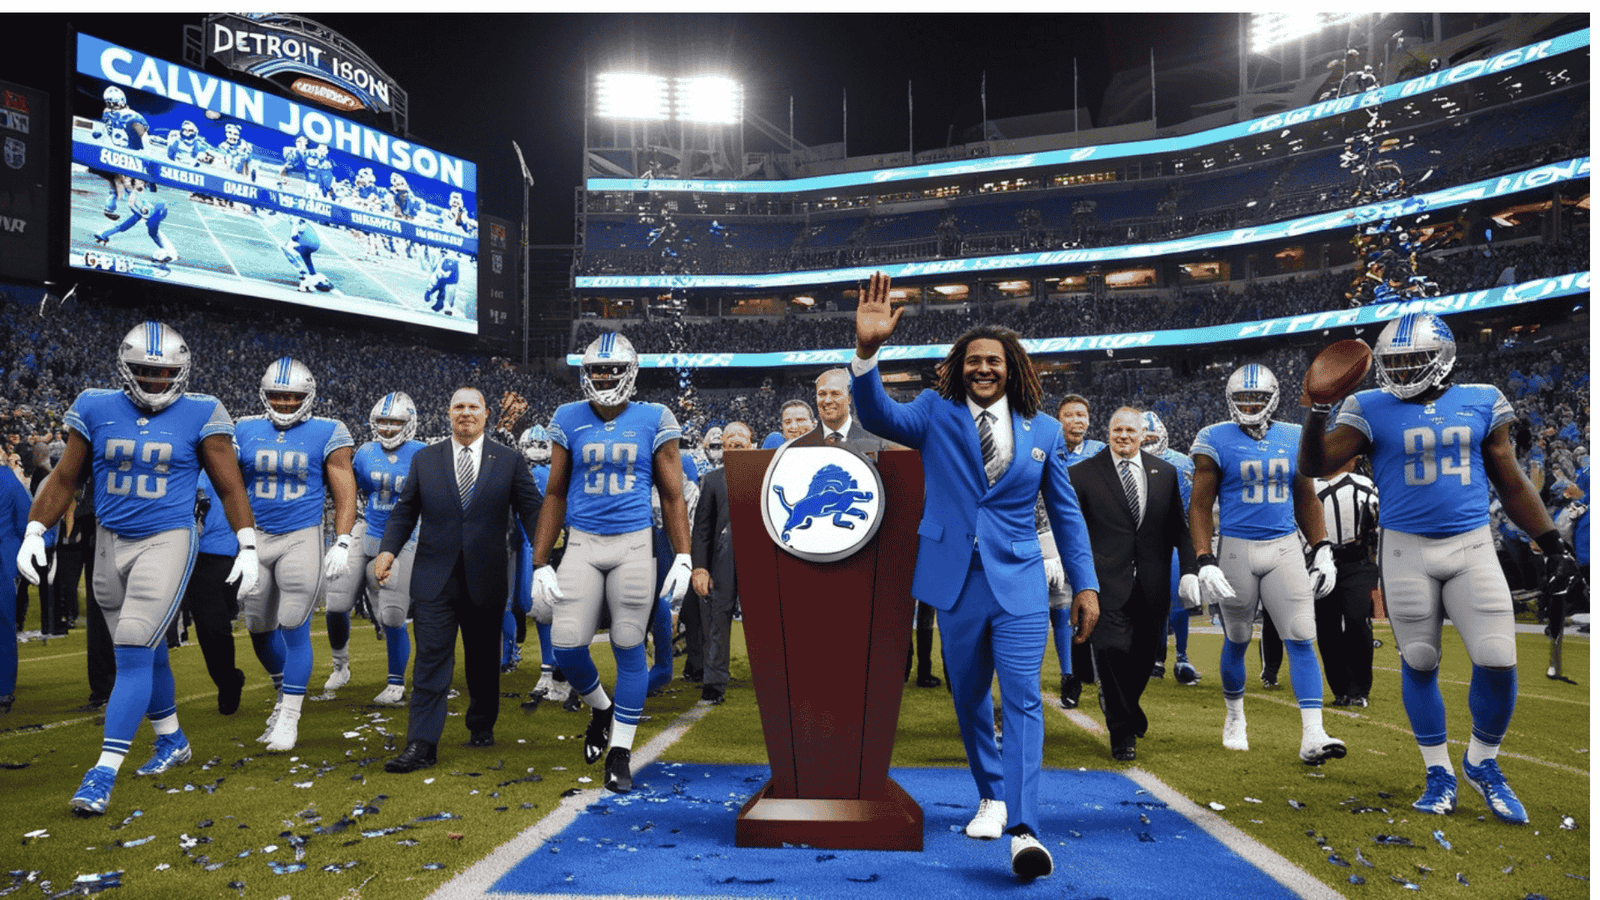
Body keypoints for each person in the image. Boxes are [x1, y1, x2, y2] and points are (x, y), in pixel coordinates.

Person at [851, 271, 1098, 880]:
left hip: (1018, 582)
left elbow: (1065, 513)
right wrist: (866, 351)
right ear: (959, 366)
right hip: (954, 582)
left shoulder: (1043, 430)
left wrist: (1086, 582)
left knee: (1021, 701)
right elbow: (877, 413)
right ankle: (990, 792)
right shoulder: (933, 412)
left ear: (1012, 367)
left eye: (994, 360)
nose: (983, 368)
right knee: (967, 699)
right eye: (974, 360)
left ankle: (1024, 829)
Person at [1299, 313, 1578, 824]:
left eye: (1413, 361)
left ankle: (1481, 761)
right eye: (1394, 363)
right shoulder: (1367, 406)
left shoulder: (1480, 397)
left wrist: (1551, 543)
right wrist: (1319, 411)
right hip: (1407, 549)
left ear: (1443, 359)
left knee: (1497, 658)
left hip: (1471, 543)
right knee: (1421, 659)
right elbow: (1315, 466)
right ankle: (1438, 771)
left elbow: (1511, 481)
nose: (1402, 372)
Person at [17, 321, 260, 816]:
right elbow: (65, 478)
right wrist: (34, 530)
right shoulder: (95, 405)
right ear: (126, 370)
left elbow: (231, 486)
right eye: (146, 372)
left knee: (130, 644)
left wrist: (248, 544)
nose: (155, 381)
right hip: (109, 539)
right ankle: (171, 739)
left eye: (165, 372)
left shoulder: (202, 411)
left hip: (167, 537)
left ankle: (103, 770)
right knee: (144, 652)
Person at [530, 333, 693, 794]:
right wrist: (542, 560)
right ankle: (601, 706)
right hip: (582, 542)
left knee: (626, 640)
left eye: (612, 371)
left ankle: (620, 751)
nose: (603, 379)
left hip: (634, 543)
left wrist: (683, 554)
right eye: (597, 371)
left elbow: (673, 493)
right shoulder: (567, 417)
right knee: (566, 643)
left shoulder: (655, 418)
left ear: (630, 373)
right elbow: (556, 493)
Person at [378, 388, 543, 773]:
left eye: (473, 407)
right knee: (431, 658)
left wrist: (545, 558)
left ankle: (481, 722)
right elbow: (405, 512)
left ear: (485, 414)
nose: (465, 413)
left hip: (485, 576)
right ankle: (422, 743)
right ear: (448, 414)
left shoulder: (510, 461)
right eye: (458, 407)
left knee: (483, 659)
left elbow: (532, 511)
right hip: (435, 577)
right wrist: (388, 550)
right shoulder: (424, 459)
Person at [1189, 363, 1345, 764]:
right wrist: (1204, 558)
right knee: (1238, 638)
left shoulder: (1294, 436)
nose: (1250, 404)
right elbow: (1201, 504)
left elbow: (1306, 498)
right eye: (1243, 398)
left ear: (1274, 399)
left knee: (1301, 633)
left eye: (1257, 397)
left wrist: (1322, 546)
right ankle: (1235, 717)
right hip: (1237, 549)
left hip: (1283, 547)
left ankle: (1313, 733)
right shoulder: (1214, 437)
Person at [235, 357, 357, 752]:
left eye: (293, 396)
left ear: (308, 397)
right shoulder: (244, 428)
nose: (285, 403)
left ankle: (290, 716)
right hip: (257, 537)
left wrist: (342, 539)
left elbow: (345, 492)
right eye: (278, 396)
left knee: (293, 623)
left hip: (300, 537)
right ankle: (281, 691)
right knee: (257, 626)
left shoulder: (328, 431)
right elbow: (229, 488)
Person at [1069, 408, 1198, 761]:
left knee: (1143, 660)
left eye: (1130, 430)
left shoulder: (1166, 473)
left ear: (1143, 436)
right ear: (1108, 433)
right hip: (1104, 585)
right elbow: (1073, 532)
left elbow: (1179, 529)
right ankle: (1123, 733)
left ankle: (1130, 709)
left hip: (1153, 585)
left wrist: (1190, 569)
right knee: (1110, 652)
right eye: (1117, 430)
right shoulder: (1081, 474)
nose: (1123, 436)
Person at [324, 392, 425, 706]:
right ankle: (341, 666)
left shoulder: (424, 454)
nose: (389, 428)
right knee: (337, 601)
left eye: (396, 421)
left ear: (409, 423)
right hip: (367, 528)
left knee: (393, 614)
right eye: (383, 421)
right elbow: (348, 492)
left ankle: (395, 684)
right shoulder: (365, 452)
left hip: (406, 536)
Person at [690, 421, 752, 705]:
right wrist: (700, 568)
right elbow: (702, 529)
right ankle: (714, 683)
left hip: (757, 559)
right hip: (722, 560)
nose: (736, 441)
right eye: (730, 437)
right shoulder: (713, 480)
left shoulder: (766, 475)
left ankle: (772, 680)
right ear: (723, 446)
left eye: (742, 436)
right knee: (718, 619)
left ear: (752, 443)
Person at [1312, 457, 1380, 707]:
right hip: (1323, 559)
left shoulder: (1364, 485)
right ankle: (1340, 689)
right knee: (1327, 628)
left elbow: (1379, 524)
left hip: (1358, 561)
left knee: (1357, 620)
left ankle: (1360, 689)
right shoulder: (1313, 488)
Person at [177, 473, 247, 715]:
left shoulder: (230, 453)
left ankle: (227, 678)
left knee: (217, 624)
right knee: (209, 626)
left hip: (222, 546)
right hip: (186, 548)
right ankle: (227, 681)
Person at [1052, 394, 1105, 708]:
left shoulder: (1101, 452)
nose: (1077, 421)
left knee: (1099, 613)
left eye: (1082, 415)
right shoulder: (1048, 450)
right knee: (1061, 610)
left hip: (1095, 546)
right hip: (1056, 544)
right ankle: (1069, 676)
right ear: (1059, 419)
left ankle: (1102, 680)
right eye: (1070, 415)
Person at [1144, 410, 1202, 685]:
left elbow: (1192, 508)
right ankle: (1153, 658)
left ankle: (1182, 656)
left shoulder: (1181, 463)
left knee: (1178, 599)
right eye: (1143, 437)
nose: (1147, 442)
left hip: (1173, 538)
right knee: (1146, 602)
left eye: (1151, 437)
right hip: (1138, 540)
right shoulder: (1122, 462)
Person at [0, 462, 29, 713]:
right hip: (5, 562)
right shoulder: (9, 481)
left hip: (4, 562)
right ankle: (4, 690)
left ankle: (4, 690)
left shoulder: (8, 480)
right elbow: (27, 522)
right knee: (4, 626)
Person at [808, 367, 891, 452]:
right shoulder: (801, 444)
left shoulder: (879, 444)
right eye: (822, 394)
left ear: (849, 398)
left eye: (835, 394)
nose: (828, 400)